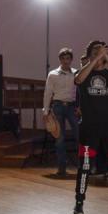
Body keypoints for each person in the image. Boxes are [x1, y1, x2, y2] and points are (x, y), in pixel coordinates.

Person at [73, 40, 108, 214]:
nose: (99, 54)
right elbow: (78, 79)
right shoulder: (83, 73)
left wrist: (106, 57)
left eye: (102, 51)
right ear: (89, 54)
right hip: (89, 128)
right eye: (95, 51)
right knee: (85, 167)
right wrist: (95, 58)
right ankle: (79, 203)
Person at [42, 47, 78, 176]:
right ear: (60, 59)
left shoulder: (76, 73)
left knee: (79, 134)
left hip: (72, 106)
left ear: (71, 59)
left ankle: (83, 166)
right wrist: (45, 111)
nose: (66, 61)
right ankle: (62, 167)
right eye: (63, 58)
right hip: (58, 105)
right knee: (59, 137)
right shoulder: (52, 74)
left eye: (68, 58)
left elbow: (80, 92)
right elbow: (48, 93)